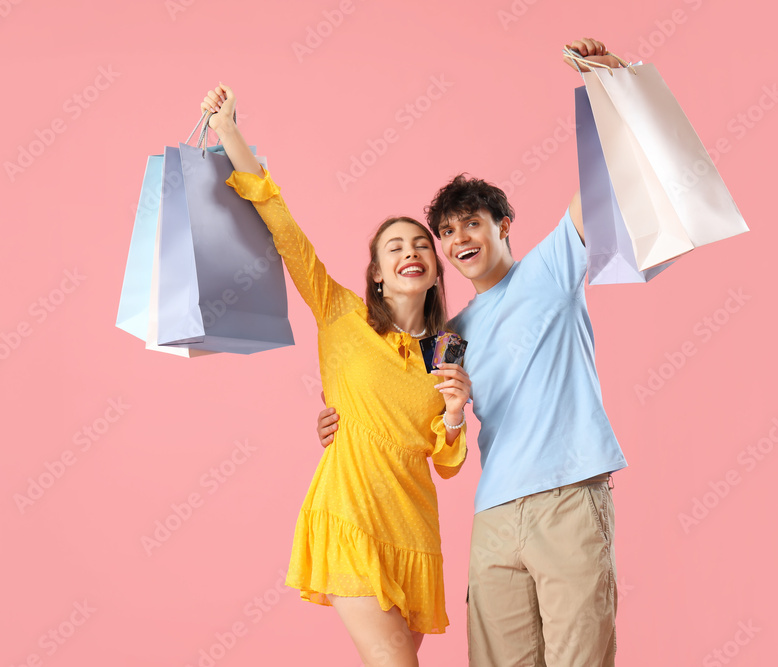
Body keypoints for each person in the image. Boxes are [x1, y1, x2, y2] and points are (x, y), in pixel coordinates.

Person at [317, 38, 627, 665]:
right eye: (449, 231)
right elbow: (418, 420)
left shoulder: (554, 266)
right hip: (494, 516)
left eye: (473, 224)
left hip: (568, 495)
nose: (460, 238)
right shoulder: (448, 337)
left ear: (503, 225)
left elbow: (603, 181)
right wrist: (341, 422)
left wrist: (613, 89)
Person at [200, 84, 473, 667]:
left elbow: (447, 461)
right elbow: (284, 226)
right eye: (395, 246)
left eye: (422, 245)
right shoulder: (341, 312)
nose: (411, 251)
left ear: (433, 270)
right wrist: (228, 134)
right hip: (350, 513)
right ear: (376, 273)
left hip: (414, 529)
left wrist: (453, 416)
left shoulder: (449, 345)